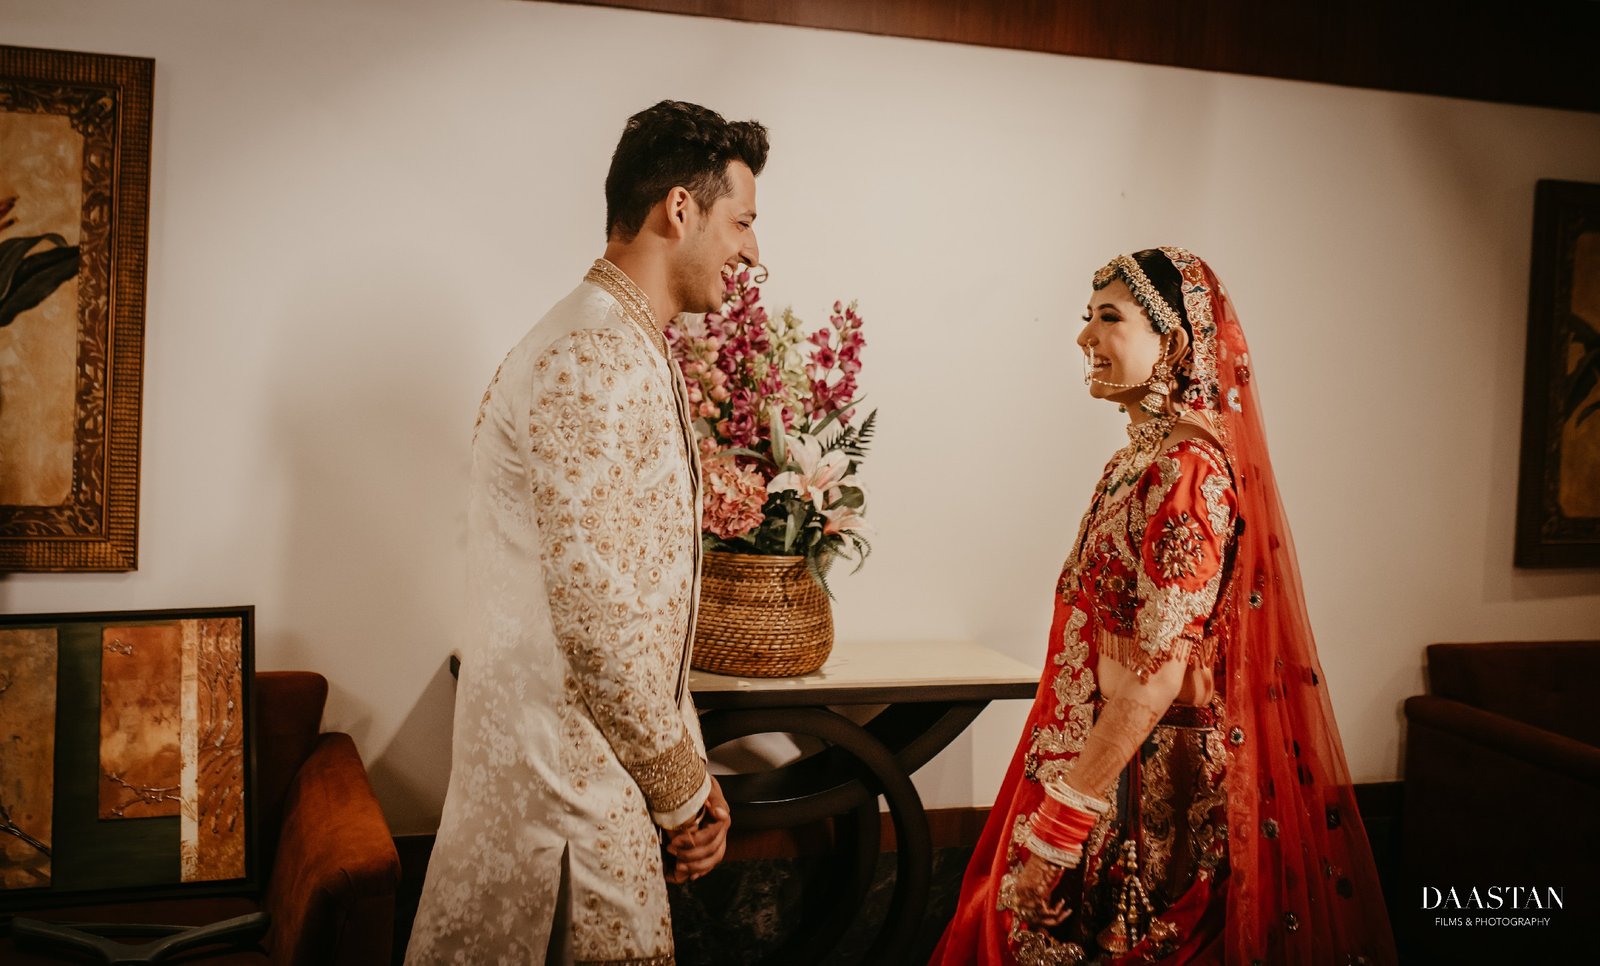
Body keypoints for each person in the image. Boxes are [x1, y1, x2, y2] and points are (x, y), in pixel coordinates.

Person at [931, 248, 1396, 964]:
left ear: (1174, 344)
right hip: (1107, 772)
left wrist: (1061, 829)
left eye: (1108, 319)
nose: (1084, 337)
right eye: (1086, 318)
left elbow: (1155, 672)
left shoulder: (1186, 474)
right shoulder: (1134, 464)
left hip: (1157, 804)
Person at [406, 101, 767, 965]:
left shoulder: (614, 340)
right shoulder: (595, 355)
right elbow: (601, 616)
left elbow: (640, 600)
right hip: (565, 798)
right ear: (680, 209)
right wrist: (683, 792)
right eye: (743, 221)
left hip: (588, 774)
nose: (753, 250)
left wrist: (687, 770)